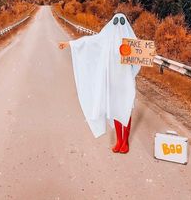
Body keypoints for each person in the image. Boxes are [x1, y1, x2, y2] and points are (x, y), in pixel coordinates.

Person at [58, 12, 141, 154]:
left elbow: (140, 59)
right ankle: (119, 141)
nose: (119, 25)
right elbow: (89, 42)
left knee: (125, 109)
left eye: (122, 21)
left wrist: (147, 54)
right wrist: (69, 44)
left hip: (125, 82)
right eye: (116, 21)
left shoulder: (131, 42)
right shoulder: (106, 39)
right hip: (112, 82)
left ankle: (125, 142)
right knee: (115, 109)